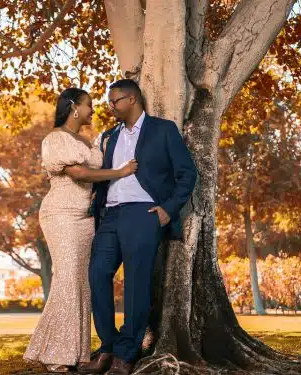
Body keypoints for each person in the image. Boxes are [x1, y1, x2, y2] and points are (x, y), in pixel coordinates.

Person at [79, 79, 197, 375]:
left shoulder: (163, 129)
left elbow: (187, 173)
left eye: (114, 101)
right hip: (110, 215)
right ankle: (108, 347)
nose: (110, 107)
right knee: (97, 274)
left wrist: (168, 210)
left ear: (131, 100)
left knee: (136, 283)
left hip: (143, 214)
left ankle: (126, 354)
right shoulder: (111, 136)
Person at [24, 87, 138, 373]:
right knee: (68, 278)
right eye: (88, 105)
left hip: (86, 218)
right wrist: (121, 172)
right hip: (61, 214)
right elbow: (80, 174)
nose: (93, 110)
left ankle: (77, 352)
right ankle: (54, 354)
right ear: (74, 107)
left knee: (83, 283)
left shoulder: (87, 141)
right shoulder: (55, 139)